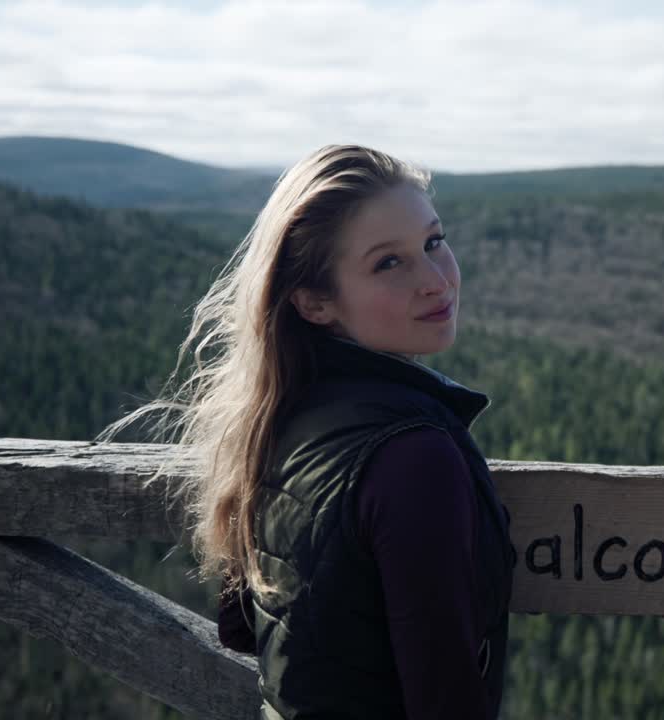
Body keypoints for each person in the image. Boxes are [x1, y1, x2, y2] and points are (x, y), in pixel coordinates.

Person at [101, 144, 515, 719]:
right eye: (388, 263)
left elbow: (252, 629)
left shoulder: (278, 415)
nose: (435, 280)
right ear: (315, 301)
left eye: (433, 242)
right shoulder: (414, 458)